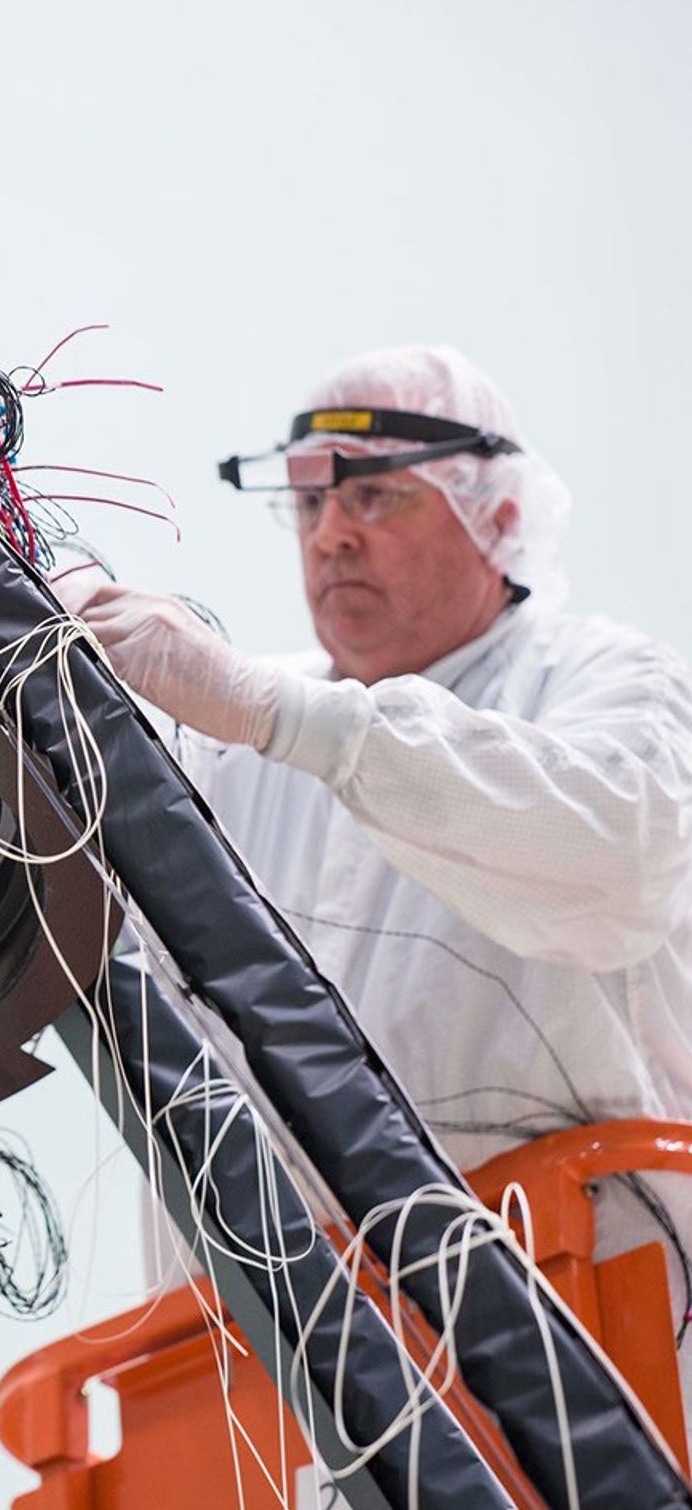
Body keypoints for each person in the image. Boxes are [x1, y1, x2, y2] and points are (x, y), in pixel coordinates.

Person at [67, 343, 692, 1417]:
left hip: (586, 1344)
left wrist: (280, 714)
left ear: (495, 517)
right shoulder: (234, 744)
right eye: (307, 505)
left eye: (373, 496)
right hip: (294, 1381)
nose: (330, 534)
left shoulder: (596, 681)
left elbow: (617, 855)